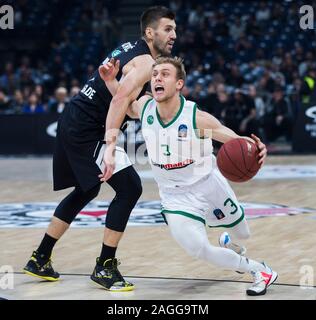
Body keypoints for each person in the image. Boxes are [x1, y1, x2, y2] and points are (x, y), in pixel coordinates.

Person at [23, 6, 177, 292]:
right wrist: (110, 145)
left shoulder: (132, 50)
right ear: (149, 32)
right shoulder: (144, 62)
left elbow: (125, 102)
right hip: (86, 127)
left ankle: (40, 257)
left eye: (175, 30)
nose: (174, 35)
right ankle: (104, 267)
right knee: (130, 187)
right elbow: (119, 102)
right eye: (168, 29)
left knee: (87, 189)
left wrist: (138, 104)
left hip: (75, 119)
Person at [100, 56, 278, 296]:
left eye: (164, 74)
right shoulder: (145, 108)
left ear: (179, 84)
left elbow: (232, 138)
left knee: (242, 233)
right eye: (154, 75)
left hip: (208, 185)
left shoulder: (195, 118)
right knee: (199, 248)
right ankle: (260, 270)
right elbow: (125, 105)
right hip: (174, 196)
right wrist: (111, 81)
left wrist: (256, 147)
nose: (157, 78)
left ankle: (231, 246)